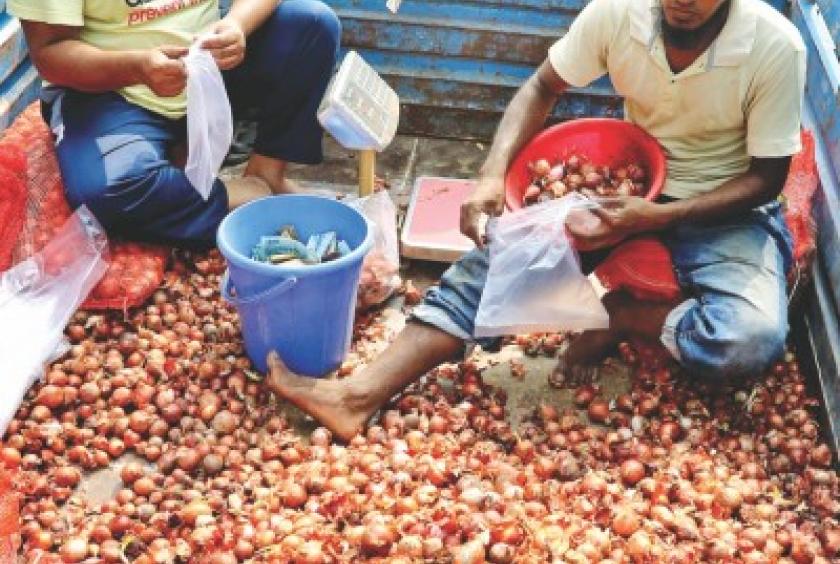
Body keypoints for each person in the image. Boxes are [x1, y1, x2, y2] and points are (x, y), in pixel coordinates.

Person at [269, 0, 805, 441]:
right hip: (631, 181)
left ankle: (620, 317)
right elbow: (541, 87)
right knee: (501, 260)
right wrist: (489, 174)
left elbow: (766, 179)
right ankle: (357, 396)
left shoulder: (775, 45)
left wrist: (657, 217)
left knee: (751, 339)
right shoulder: (618, 14)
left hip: (723, 204)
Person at [10, 0, 340, 247]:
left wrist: (237, 25)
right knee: (109, 191)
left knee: (312, 25)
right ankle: (235, 195)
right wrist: (136, 68)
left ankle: (267, 173)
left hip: (209, 69)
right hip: (112, 90)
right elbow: (50, 53)